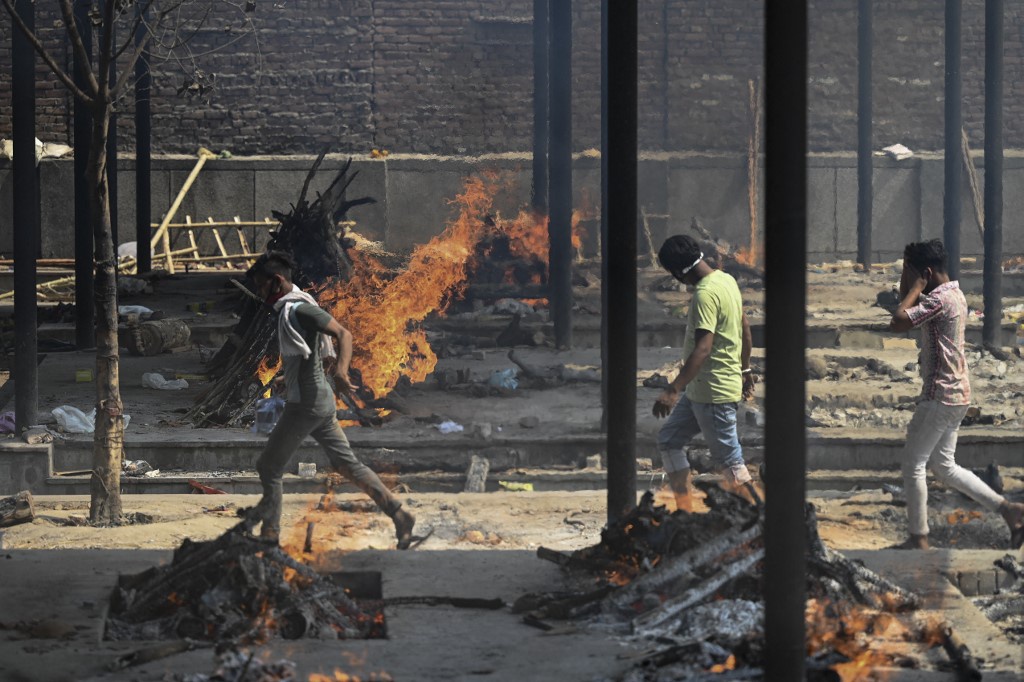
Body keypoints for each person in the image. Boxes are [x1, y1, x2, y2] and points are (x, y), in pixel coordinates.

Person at [245, 251, 416, 548]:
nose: (260, 293)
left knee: (269, 467)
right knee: (346, 464)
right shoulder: (292, 309)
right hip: (318, 401)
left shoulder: (299, 309)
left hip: (306, 405)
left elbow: (343, 334)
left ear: (277, 281)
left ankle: (270, 534)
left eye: (261, 286)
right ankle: (399, 513)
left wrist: (341, 370)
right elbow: (310, 357)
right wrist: (289, 377)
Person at [889, 239, 1024, 549]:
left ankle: (918, 537)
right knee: (945, 467)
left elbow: (897, 322)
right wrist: (912, 280)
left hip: (940, 394)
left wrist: (915, 284)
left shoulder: (937, 300)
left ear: (925, 273)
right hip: (957, 393)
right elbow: (903, 308)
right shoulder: (955, 294)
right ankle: (1009, 510)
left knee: (913, 464)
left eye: (910, 272)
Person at [652, 235, 756, 510]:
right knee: (669, 441)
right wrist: (745, 368)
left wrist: (673, 389)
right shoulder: (726, 280)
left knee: (730, 463)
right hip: (700, 390)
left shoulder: (704, 294)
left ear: (678, 272)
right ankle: (684, 511)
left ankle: (761, 516)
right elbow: (745, 329)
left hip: (714, 392)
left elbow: (703, 349)